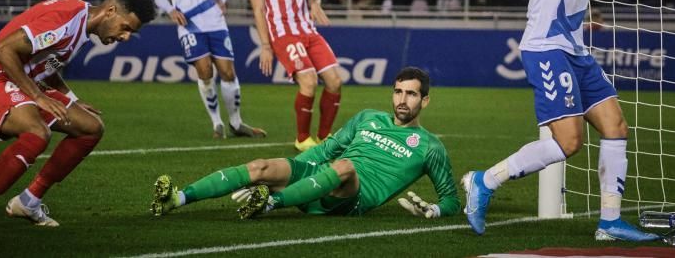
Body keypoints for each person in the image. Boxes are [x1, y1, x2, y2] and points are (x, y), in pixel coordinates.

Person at [462, 0, 655, 241]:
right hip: (546, 47)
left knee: (615, 125)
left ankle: (610, 222)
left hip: (575, 49)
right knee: (568, 143)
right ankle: (485, 181)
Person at [0, 0, 156, 236]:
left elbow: (48, 64)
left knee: (90, 127)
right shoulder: (67, 17)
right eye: (126, 28)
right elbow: (4, 50)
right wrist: (37, 96)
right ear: (111, 11)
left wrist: (71, 98)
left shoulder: (82, 25)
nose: (125, 37)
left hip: (22, 81)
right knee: (38, 133)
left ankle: (29, 201)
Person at [150, 67, 460, 220]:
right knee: (261, 166)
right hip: (317, 179)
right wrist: (287, 172)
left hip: (348, 198)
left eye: (411, 94)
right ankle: (177, 199)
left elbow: (451, 200)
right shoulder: (368, 117)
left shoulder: (430, 147)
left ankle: (269, 203)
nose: (402, 100)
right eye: (398, 92)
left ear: (425, 100)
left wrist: (435, 209)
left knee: (346, 166)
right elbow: (325, 150)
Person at [154, 0, 265, 139]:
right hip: (189, 24)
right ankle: (217, 123)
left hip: (214, 20)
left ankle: (236, 122)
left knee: (227, 71)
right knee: (204, 70)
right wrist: (171, 10)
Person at [245, 0, 343, 151]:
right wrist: (266, 46)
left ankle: (324, 137)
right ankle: (302, 138)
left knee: (335, 81)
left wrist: (315, 2)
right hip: (283, 33)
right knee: (308, 81)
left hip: (308, 31)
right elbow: (258, 10)